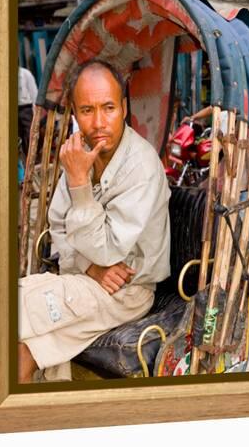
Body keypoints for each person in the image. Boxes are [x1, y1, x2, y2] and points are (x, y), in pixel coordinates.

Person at [18, 60, 171, 383]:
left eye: (109, 108)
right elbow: (58, 225)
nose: (99, 122)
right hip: (85, 277)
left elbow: (110, 250)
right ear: (74, 113)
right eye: (87, 110)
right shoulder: (81, 153)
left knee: (14, 309)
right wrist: (89, 267)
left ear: (124, 108)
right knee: (20, 341)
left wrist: (79, 184)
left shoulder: (141, 166)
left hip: (127, 291)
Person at [18, 66, 38, 158]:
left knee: (29, 134)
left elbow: (34, 92)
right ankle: (24, 159)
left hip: (25, 108)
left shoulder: (25, 73)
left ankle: (32, 158)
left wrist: (36, 113)